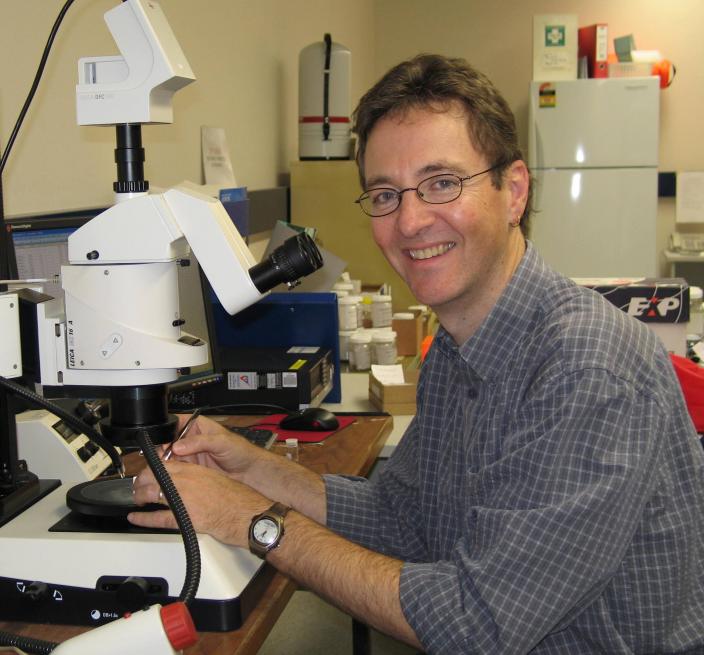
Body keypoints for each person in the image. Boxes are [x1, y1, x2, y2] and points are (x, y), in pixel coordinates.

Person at [129, 54, 704, 653]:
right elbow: (404, 514)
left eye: (441, 183)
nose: (409, 221)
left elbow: (476, 625)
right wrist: (255, 470)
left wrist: (252, 521)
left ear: (513, 190)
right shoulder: (457, 347)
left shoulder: (584, 365)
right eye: (384, 193)